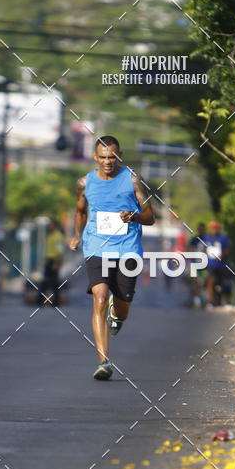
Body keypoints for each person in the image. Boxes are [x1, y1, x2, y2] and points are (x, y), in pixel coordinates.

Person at [69, 135, 155, 380]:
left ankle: (117, 316)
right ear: (95, 157)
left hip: (127, 249)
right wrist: (77, 235)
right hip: (96, 246)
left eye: (112, 157)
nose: (108, 162)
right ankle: (104, 362)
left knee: (122, 305)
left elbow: (151, 217)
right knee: (99, 297)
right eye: (103, 157)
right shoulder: (85, 183)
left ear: (120, 156)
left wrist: (134, 217)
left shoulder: (133, 180)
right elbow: (79, 211)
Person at [204, 220, 231, 306]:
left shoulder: (223, 238)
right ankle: (210, 300)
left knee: (222, 283)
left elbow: (227, 249)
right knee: (211, 281)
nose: (214, 229)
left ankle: (222, 300)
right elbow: (204, 248)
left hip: (221, 265)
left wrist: (222, 256)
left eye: (215, 228)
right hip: (210, 264)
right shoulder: (207, 238)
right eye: (212, 228)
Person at [38, 220, 64, 307]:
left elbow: (60, 251)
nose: (49, 227)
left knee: (54, 283)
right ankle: (41, 301)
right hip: (49, 260)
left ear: (54, 226)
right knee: (46, 282)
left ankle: (55, 302)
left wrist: (56, 263)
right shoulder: (50, 235)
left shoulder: (58, 236)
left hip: (54, 261)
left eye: (50, 225)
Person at [188, 221, 207, 307]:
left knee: (205, 281)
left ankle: (206, 300)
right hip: (195, 264)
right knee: (195, 282)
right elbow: (190, 250)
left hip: (206, 264)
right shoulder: (194, 240)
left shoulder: (207, 239)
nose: (201, 231)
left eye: (203, 230)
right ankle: (196, 300)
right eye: (200, 230)